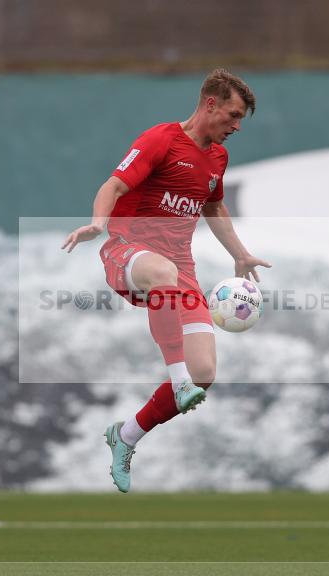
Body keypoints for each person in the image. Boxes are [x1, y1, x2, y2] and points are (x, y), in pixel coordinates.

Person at [62, 68, 271, 493]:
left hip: (179, 269)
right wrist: (98, 223)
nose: (236, 127)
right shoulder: (161, 139)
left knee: (204, 372)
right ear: (209, 104)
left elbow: (213, 207)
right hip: (128, 253)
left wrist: (240, 253)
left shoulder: (217, 158)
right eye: (233, 116)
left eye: (240, 120)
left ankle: (126, 436)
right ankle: (178, 381)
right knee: (162, 274)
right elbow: (113, 186)